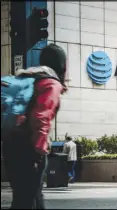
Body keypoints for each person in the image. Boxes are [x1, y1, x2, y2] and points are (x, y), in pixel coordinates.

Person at [2, 43, 67, 209]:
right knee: (26, 199)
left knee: (30, 194)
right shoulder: (50, 83)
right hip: (30, 147)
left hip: (11, 145)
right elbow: (41, 117)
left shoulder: (27, 77)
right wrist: (40, 149)